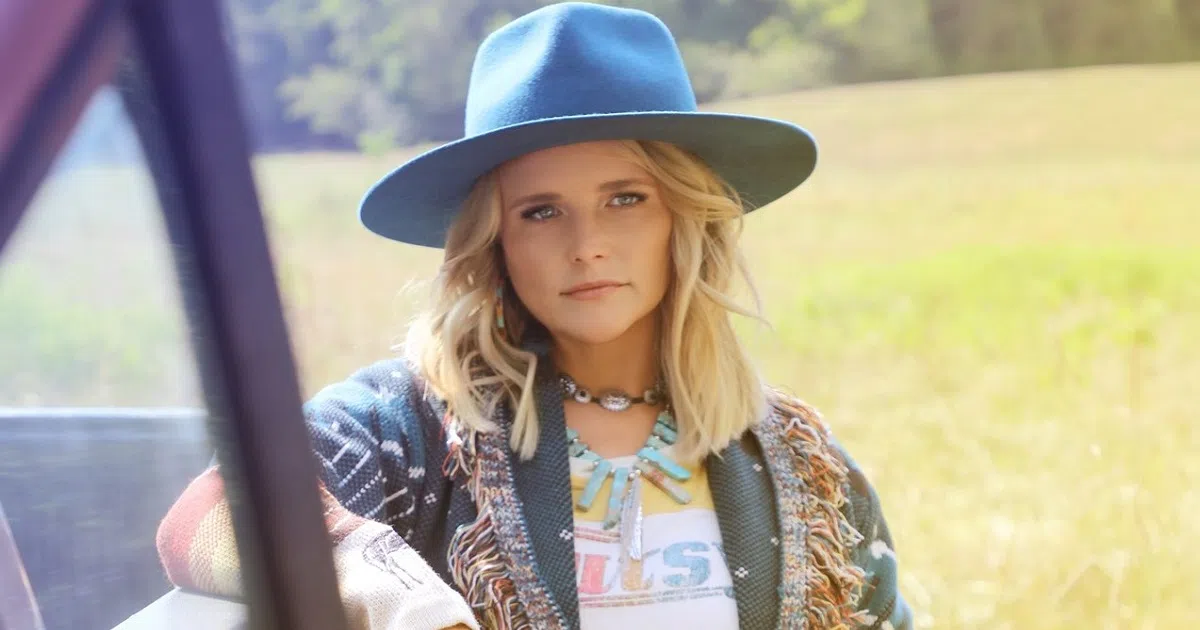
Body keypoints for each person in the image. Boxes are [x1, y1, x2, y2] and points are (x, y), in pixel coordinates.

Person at [155, 3, 913, 629]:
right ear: (496, 242)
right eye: (541, 211)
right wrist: (396, 597)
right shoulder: (412, 428)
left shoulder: (797, 458)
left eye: (625, 199)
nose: (586, 246)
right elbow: (213, 512)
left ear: (684, 219)